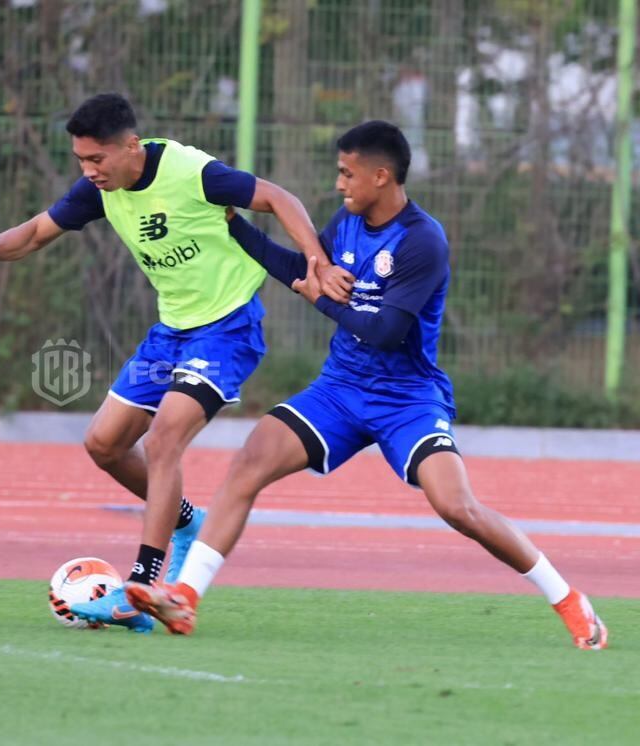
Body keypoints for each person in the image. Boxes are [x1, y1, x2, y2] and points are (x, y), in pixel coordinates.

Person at [128, 121, 608, 651]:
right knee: (250, 461)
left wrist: (323, 299)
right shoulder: (348, 220)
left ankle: (567, 599)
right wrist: (235, 227)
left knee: (457, 507)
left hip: (407, 400)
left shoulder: (423, 241)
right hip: (340, 389)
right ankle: (185, 597)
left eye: (346, 173)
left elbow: (384, 331)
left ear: (381, 176)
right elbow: (303, 269)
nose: (339, 184)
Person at [0, 93, 353, 631]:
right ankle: (186, 522)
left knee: (164, 440)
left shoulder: (191, 171)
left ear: (131, 147)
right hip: (169, 335)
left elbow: (278, 197)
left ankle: (144, 581)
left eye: (97, 159)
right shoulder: (99, 191)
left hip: (226, 330)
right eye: (80, 161)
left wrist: (315, 261)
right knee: (104, 443)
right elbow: (36, 233)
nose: (88, 171)